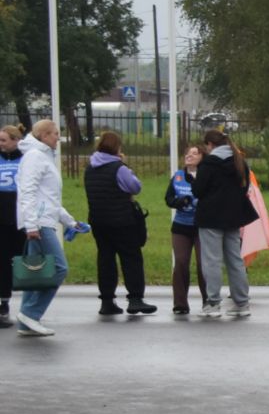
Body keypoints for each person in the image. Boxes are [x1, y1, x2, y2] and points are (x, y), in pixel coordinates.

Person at [11, 120, 85, 337]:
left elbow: (50, 199)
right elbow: (28, 192)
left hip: (43, 220)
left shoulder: (43, 157)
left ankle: (27, 322)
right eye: (54, 134)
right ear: (43, 136)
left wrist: (70, 222)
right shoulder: (35, 157)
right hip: (39, 223)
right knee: (59, 268)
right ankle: (30, 313)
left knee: (36, 274)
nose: (58, 138)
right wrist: (32, 224)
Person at [83, 130, 154, 316]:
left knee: (105, 259)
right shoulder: (118, 167)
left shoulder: (90, 167)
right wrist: (126, 167)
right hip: (122, 220)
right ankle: (135, 299)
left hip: (98, 220)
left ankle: (107, 301)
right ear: (117, 147)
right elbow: (135, 187)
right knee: (131, 258)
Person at [189, 129, 256, 318]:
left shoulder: (208, 163)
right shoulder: (239, 161)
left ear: (210, 145)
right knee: (235, 260)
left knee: (212, 260)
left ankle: (213, 303)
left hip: (211, 216)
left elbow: (198, 190)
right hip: (234, 216)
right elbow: (245, 187)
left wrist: (194, 179)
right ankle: (242, 302)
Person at [164, 145, 207, 315]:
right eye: (187, 152)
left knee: (204, 264)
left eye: (194, 153)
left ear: (202, 157)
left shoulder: (205, 176)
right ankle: (180, 304)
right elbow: (168, 198)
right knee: (181, 263)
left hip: (202, 226)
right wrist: (179, 202)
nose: (189, 155)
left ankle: (209, 301)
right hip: (181, 227)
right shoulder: (178, 176)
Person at [0, 125, 20, 323]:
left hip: (20, 216)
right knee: (3, 261)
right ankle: (3, 302)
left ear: (15, 140)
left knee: (22, 259)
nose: (0, 144)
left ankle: (31, 306)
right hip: (2, 218)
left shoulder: (25, 158)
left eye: (3, 140)